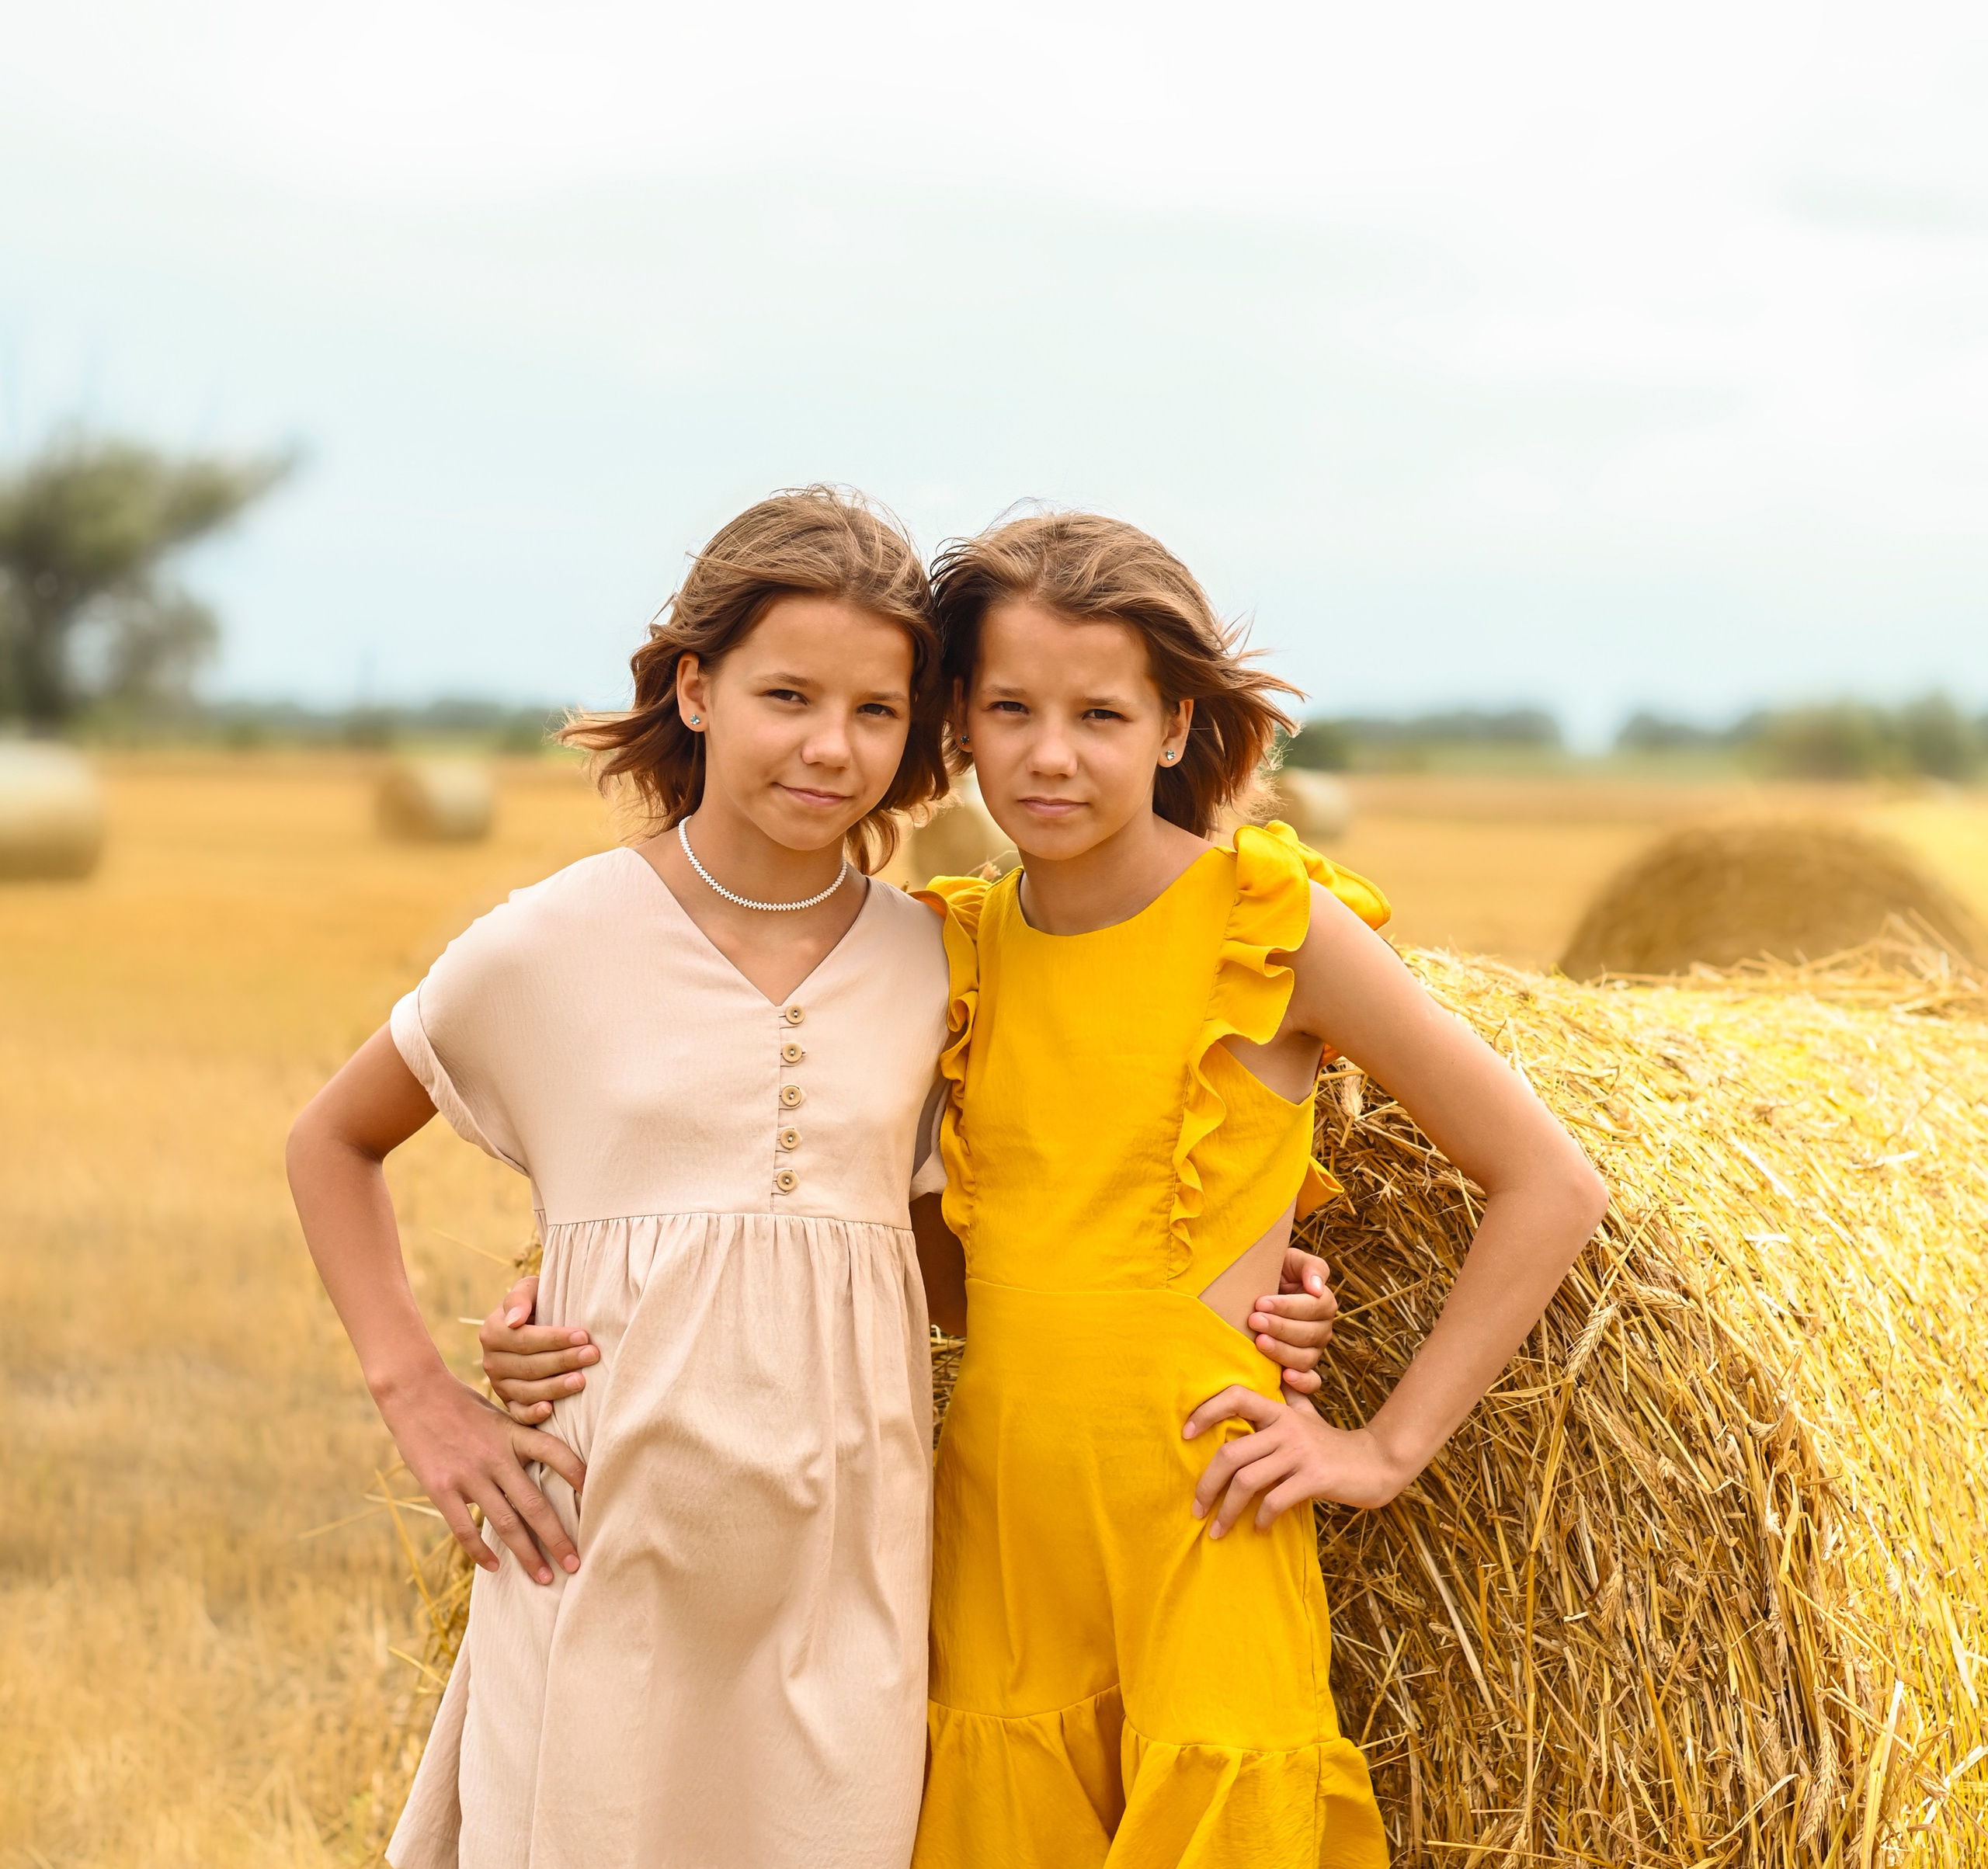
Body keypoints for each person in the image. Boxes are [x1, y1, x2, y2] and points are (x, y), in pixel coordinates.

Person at [292, 487, 1343, 1869]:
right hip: (603, 1539)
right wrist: (425, 1393)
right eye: (786, 695)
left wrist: (1246, 1276)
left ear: (922, 733)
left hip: (848, 1558)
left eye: (877, 713)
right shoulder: (545, 943)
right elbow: (333, 1139)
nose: (828, 748)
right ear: (695, 687)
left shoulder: (934, 961)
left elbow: (971, 1231)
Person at [901, 511, 1611, 1868]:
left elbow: (1548, 1182)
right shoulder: (960, 945)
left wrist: (1382, 1449)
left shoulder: (1266, 920)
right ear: (962, 724)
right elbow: (948, 1253)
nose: (1051, 753)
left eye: (1101, 714)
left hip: (1203, 1509)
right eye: (1010, 708)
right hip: (998, 1516)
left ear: (1175, 727)